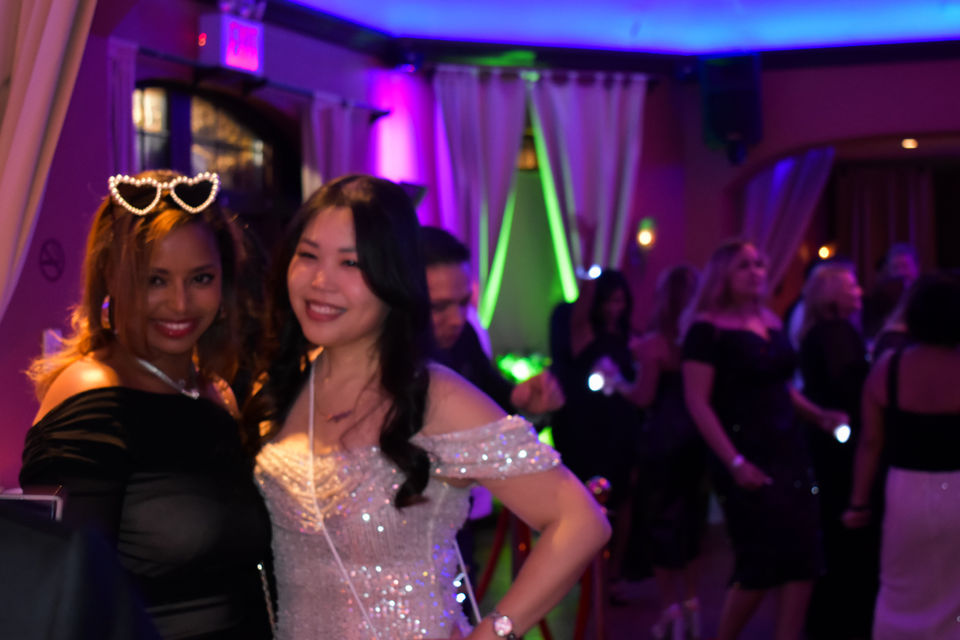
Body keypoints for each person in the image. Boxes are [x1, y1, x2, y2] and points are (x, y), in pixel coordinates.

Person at [247, 175, 610, 639]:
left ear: (392, 277)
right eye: (308, 255)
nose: (321, 282)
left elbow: (580, 522)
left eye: (351, 263)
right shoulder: (282, 385)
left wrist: (494, 631)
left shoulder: (434, 396)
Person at [19, 170, 273, 639]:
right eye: (155, 279)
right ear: (110, 277)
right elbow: (62, 598)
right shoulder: (92, 390)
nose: (180, 304)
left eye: (200, 278)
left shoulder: (216, 393)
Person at [681, 240, 847, 640]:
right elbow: (698, 402)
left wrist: (819, 415)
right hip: (743, 448)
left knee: (805, 554)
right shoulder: (707, 330)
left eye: (759, 264)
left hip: (789, 447)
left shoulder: (771, 322)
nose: (756, 272)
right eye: (744, 266)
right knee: (760, 560)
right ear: (724, 275)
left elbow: (780, 387)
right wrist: (734, 462)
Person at [843, 272, 960, 639]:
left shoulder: (887, 367)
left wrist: (858, 503)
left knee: (900, 588)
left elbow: (870, 443)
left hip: (904, 490)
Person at [616, 265, 708, 639]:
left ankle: (671, 610)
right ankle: (692, 606)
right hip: (697, 440)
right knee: (691, 524)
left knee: (660, 524)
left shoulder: (654, 344)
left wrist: (617, 383)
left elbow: (644, 396)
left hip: (662, 442)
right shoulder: (702, 339)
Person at [797, 262, 877, 638]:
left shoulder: (822, 332)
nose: (859, 291)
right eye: (851, 285)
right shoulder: (836, 333)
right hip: (840, 446)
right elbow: (849, 389)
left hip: (826, 442)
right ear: (831, 292)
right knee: (844, 529)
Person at [420, 225, 563, 415]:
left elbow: (491, 390)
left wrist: (523, 397)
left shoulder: (465, 336)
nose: (457, 320)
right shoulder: (390, 363)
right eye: (438, 307)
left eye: (464, 303)